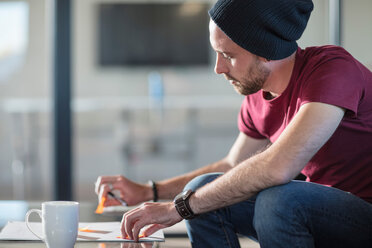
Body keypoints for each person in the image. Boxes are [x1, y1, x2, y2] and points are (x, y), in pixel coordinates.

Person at [95, 0, 372, 247]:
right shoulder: (257, 95)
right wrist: (149, 191)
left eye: (228, 55)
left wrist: (178, 208)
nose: (219, 68)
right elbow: (232, 166)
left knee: (278, 201)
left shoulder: (332, 69)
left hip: (364, 212)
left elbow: (278, 167)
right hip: (315, 210)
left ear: (266, 49)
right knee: (202, 188)